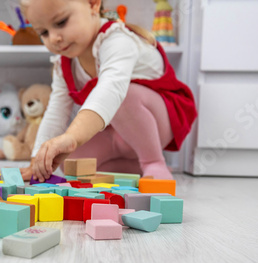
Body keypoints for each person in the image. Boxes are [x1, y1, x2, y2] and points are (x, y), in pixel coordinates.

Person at [19, 0, 197, 182]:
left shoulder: (117, 40)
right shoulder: (64, 64)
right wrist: (38, 159)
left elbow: (110, 90)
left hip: (160, 122)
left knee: (124, 96)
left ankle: (153, 161)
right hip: (116, 133)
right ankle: (137, 167)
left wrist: (72, 137)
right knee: (69, 162)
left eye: (61, 22)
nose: (54, 37)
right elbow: (56, 111)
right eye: (44, 32)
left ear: (93, 4)